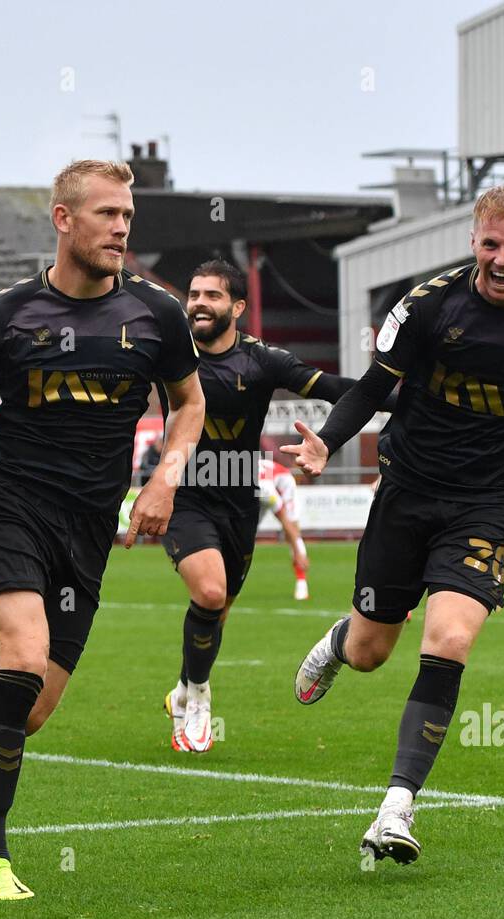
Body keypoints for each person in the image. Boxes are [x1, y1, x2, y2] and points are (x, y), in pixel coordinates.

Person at [0, 159, 204, 901]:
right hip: (9, 505)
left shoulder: (157, 314)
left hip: (88, 529)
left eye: (128, 215)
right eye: (107, 214)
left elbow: (188, 403)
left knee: (31, 706)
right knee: (19, 668)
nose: (121, 227)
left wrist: (168, 473)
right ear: (63, 219)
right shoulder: (5, 314)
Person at [281, 184, 504, 864]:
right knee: (371, 652)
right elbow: (370, 388)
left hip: (486, 502)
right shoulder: (428, 305)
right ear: (473, 239)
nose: (501, 259)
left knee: (449, 638)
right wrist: (326, 443)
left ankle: (397, 806)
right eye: (490, 244)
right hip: (408, 490)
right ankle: (340, 640)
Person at [160, 260, 356, 752]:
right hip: (183, 493)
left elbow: (334, 388)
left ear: (237, 307)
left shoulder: (263, 360)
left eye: (212, 295)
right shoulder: (168, 353)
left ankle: (183, 688)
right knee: (208, 592)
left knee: (217, 610)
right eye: (194, 293)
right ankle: (201, 696)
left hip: (239, 503)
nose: (199, 302)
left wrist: (414, 398)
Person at [259, 457, 311, 602]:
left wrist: (298, 551)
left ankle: (302, 582)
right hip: (257, 487)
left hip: (283, 484)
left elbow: (284, 519)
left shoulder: (263, 488)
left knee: (292, 529)